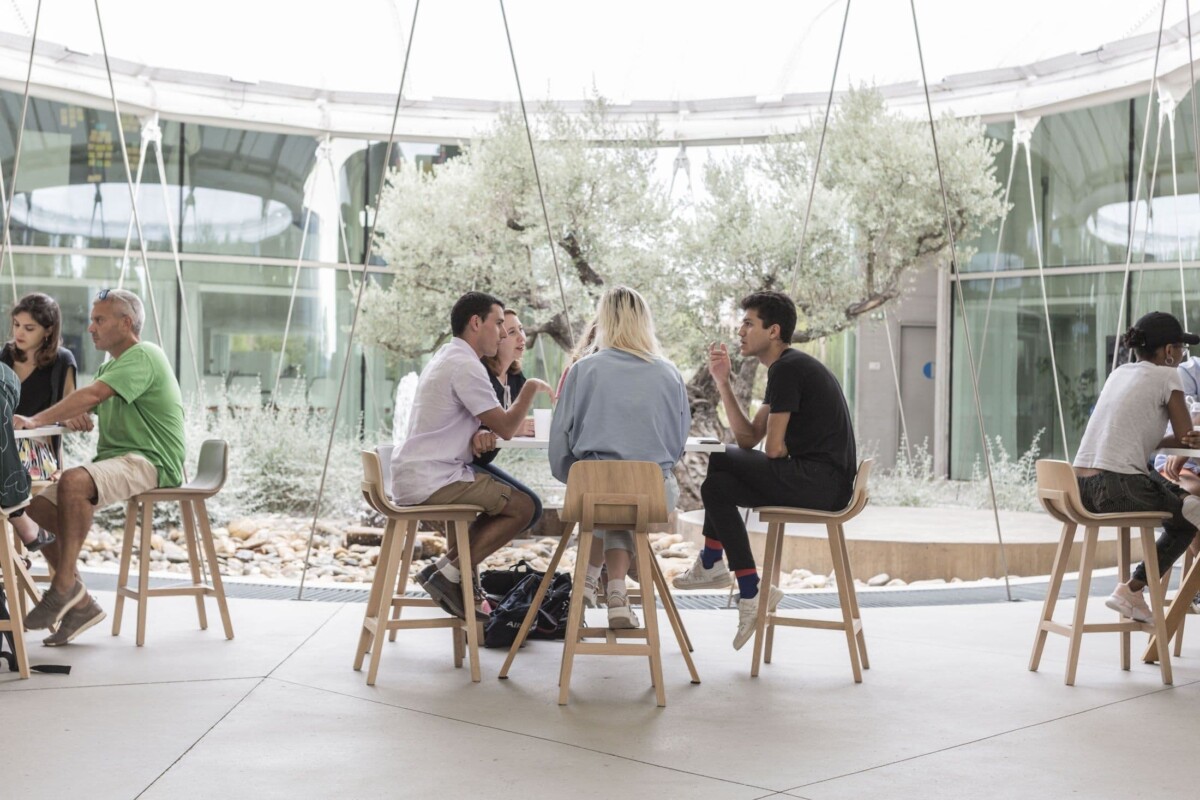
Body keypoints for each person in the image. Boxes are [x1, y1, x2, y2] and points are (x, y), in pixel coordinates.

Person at [673, 291, 857, 650]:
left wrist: (783, 444)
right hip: (816, 480)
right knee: (719, 487)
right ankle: (749, 589)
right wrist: (722, 381)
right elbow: (748, 439)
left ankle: (712, 561)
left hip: (821, 484)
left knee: (720, 460)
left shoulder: (789, 368)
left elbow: (770, 448)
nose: (740, 331)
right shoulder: (784, 369)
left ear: (773, 331)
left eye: (748, 323)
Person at [14, 288, 186, 646]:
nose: (90, 328)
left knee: (75, 481)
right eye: (92, 320)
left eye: (99, 320)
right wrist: (77, 416)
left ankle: (63, 587)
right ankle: (81, 602)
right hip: (118, 460)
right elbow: (90, 403)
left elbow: (93, 395)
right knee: (31, 509)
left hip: (151, 461)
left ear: (126, 323)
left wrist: (35, 419)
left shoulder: (145, 354)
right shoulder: (113, 366)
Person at [392, 291, 552, 620]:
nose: (502, 332)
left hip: (422, 472)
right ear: (476, 323)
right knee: (524, 507)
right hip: (434, 478)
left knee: (516, 504)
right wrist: (531, 388)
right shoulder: (466, 365)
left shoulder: (448, 356)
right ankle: (446, 574)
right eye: (498, 324)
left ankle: (456, 581)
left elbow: (482, 423)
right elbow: (507, 427)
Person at [550, 286, 690, 629]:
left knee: (604, 491)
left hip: (591, 490)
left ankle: (585, 584)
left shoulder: (583, 370)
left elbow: (559, 442)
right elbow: (676, 446)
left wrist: (575, 475)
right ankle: (616, 593)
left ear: (605, 321)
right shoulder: (669, 373)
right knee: (624, 492)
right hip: (652, 493)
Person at [1077, 312, 1200, 622]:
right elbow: (1187, 436)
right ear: (1169, 352)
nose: (1183, 354)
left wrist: (1169, 439)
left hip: (1078, 488)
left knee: (1186, 506)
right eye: (1180, 348)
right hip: (1118, 486)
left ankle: (1133, 592)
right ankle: (1132, 590)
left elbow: (1148, 435)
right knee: (1191, 518)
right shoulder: (1168, 376)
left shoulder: (1119, 373)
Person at [1, 292, 91, 551]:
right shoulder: (3, 358)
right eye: (17, 325)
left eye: (29, 328)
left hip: (37, 452)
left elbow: (70, 409)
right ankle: (12, 561)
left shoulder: (62, 361)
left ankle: (10, 566)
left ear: (48, 331)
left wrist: (36, 421)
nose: (20, 333)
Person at [472, 309, 543, 532]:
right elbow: (478, 422)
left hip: (481, 462)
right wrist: (486, 432)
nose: (522, 337)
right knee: (527, 508)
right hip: (462, 463)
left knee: (534, 509)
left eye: (521, 329)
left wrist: (522, 426)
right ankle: (456, 565)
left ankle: (455, 564)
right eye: (512, 332)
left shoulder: (515, 378)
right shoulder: (480, 373)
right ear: (497, 338)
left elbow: (511, 421)